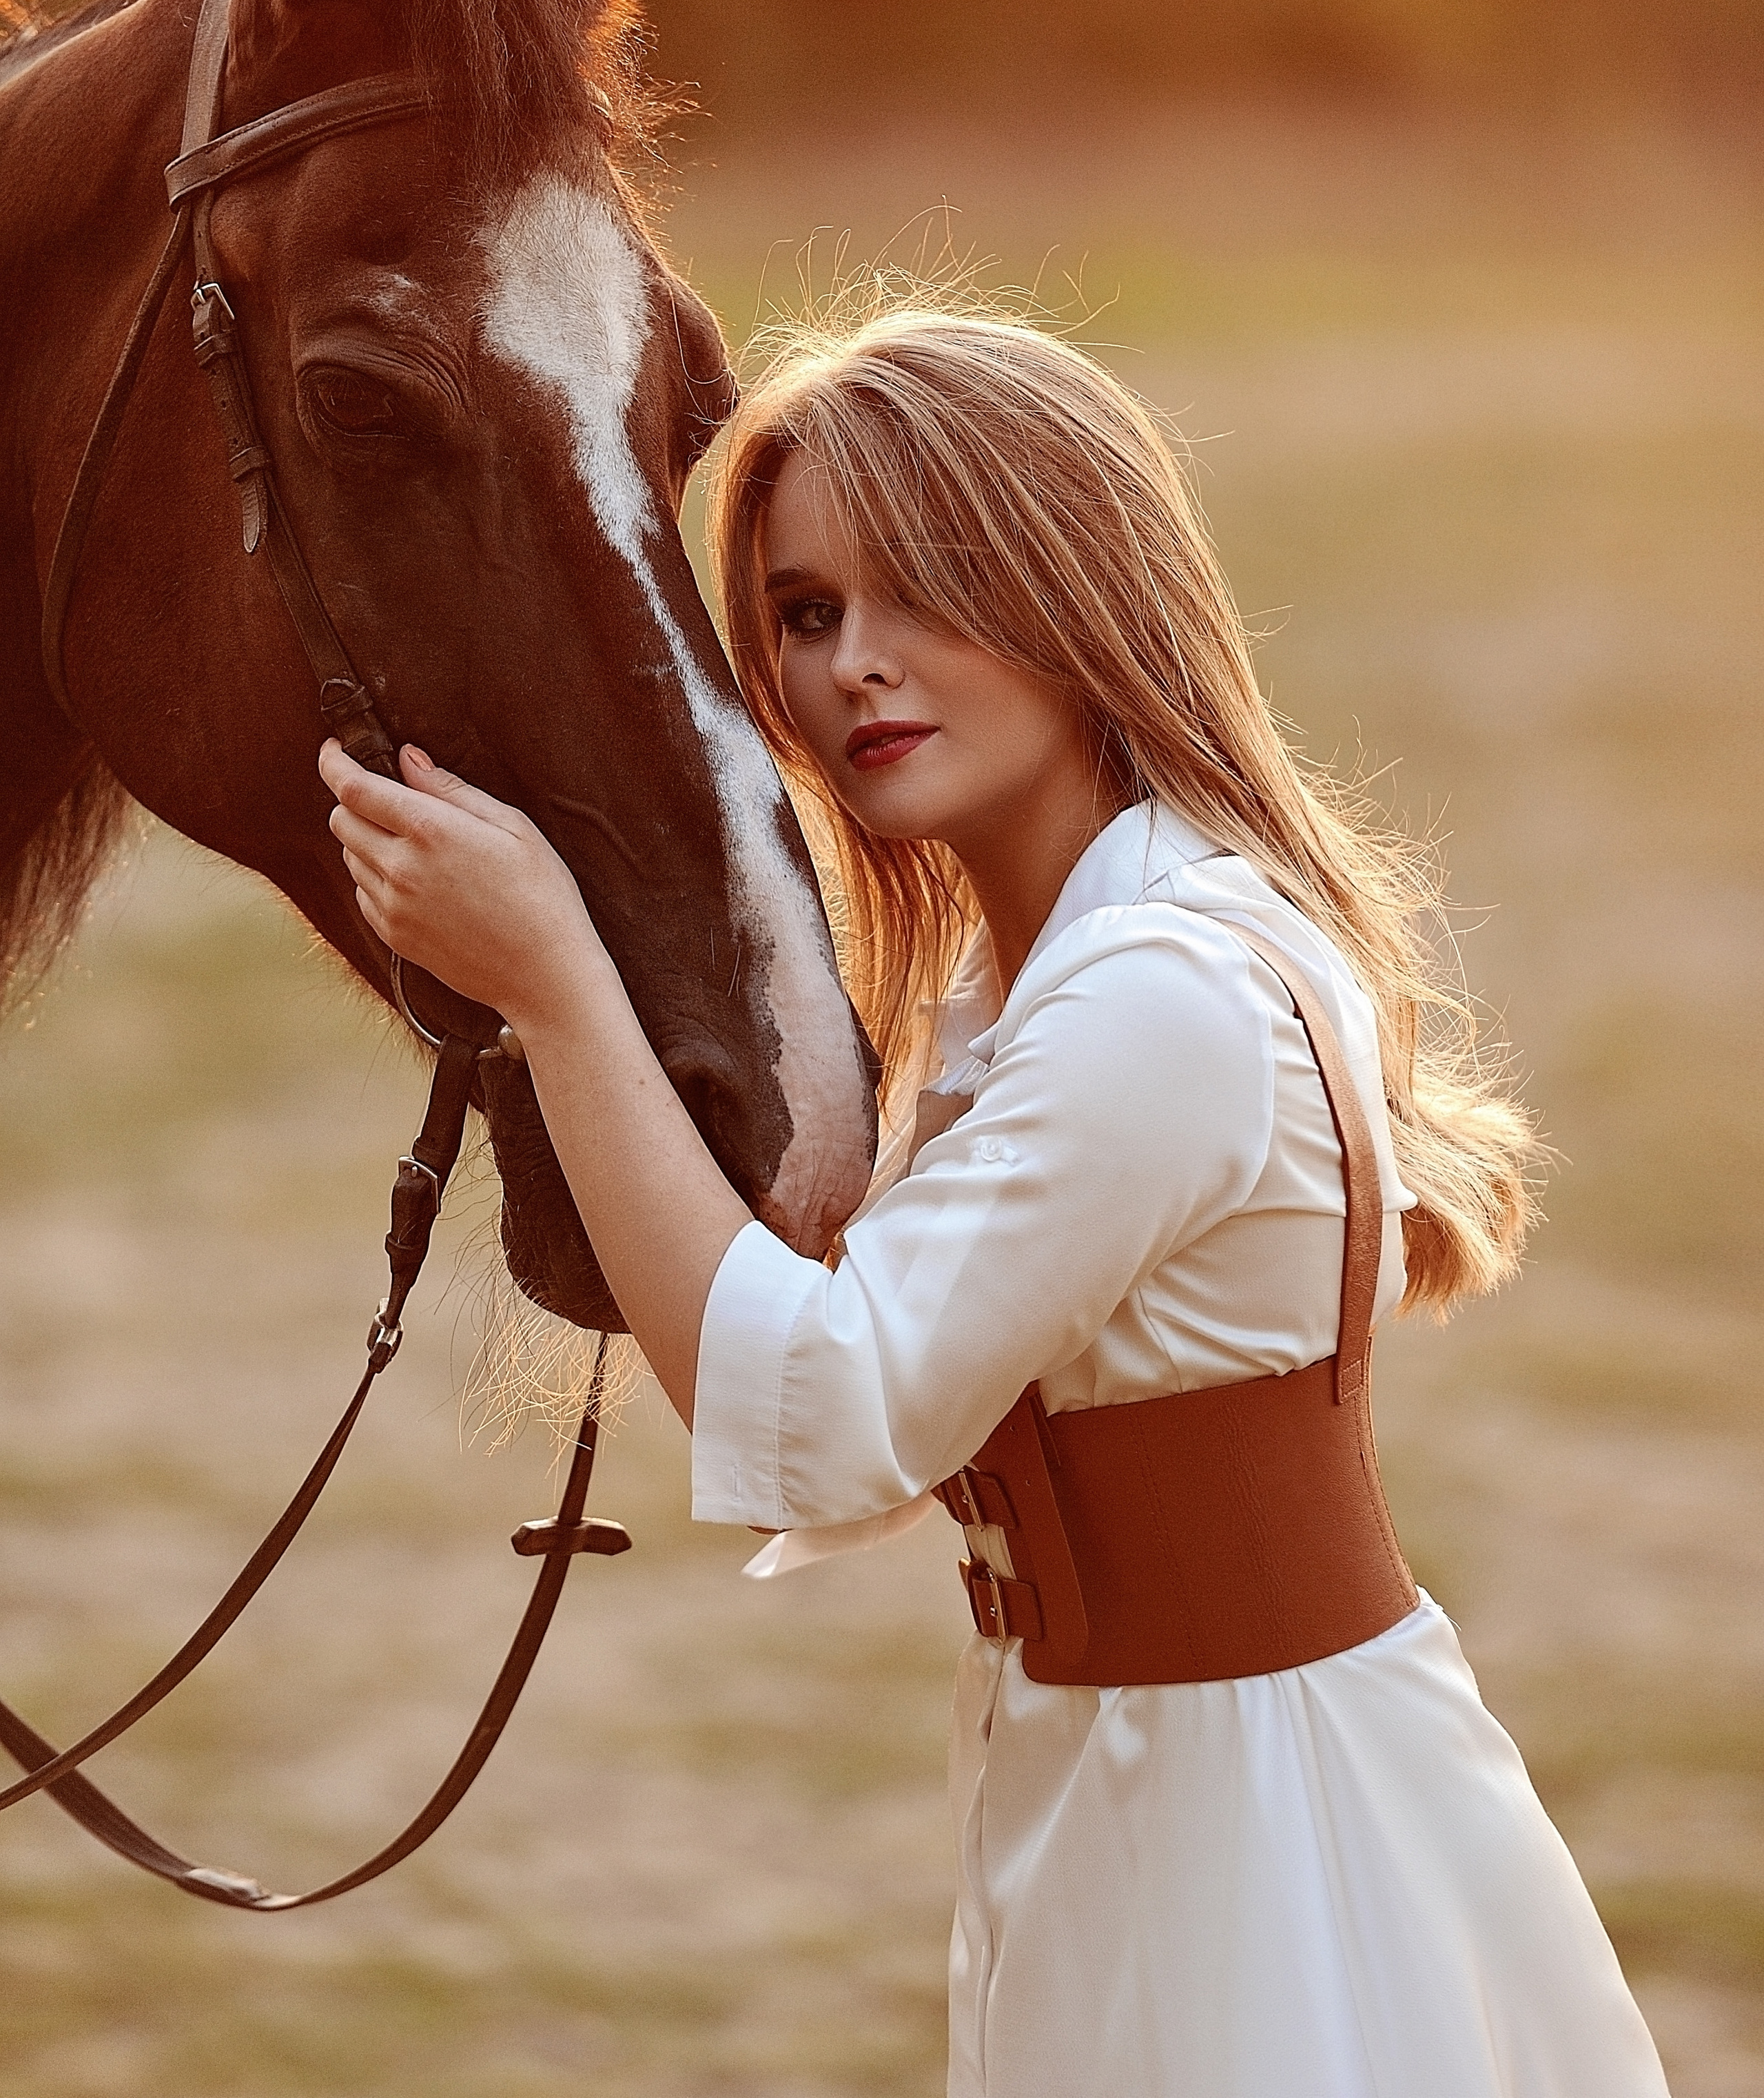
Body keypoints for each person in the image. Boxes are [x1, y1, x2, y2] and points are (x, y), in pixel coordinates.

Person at [321, 313, 1669, 2097]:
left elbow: (827, 1420)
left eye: (924, 587)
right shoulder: (1045, 982)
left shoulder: (1162, 995)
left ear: (1074, 585)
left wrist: (557, 990)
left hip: (1263, 1835)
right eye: (807, 615)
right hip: (1124, 1782)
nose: (856, 666)